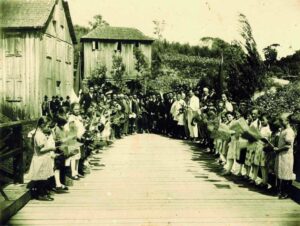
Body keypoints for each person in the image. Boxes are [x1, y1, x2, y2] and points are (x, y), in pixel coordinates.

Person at [27, 117, 55, 201]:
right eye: (47, 126)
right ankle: (41, 194)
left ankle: (42, 193)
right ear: (42, 125)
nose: (49, 128)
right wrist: (51, 148)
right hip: (40, 159)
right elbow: (40, 150)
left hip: (42, 159)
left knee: (43, 177)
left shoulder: (40, 133)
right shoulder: (39, 135)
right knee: (41, 178)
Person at [274, 113, 296, 199]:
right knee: (281, 173)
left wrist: (278, 149)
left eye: (281, 120)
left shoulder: (289, 131)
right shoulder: (283, 130)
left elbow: (288, 145)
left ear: (287, 121)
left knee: (286, 174)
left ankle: (286, 193)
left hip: (286, 156)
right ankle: (281, 191)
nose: (280, 122)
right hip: (282, 155)